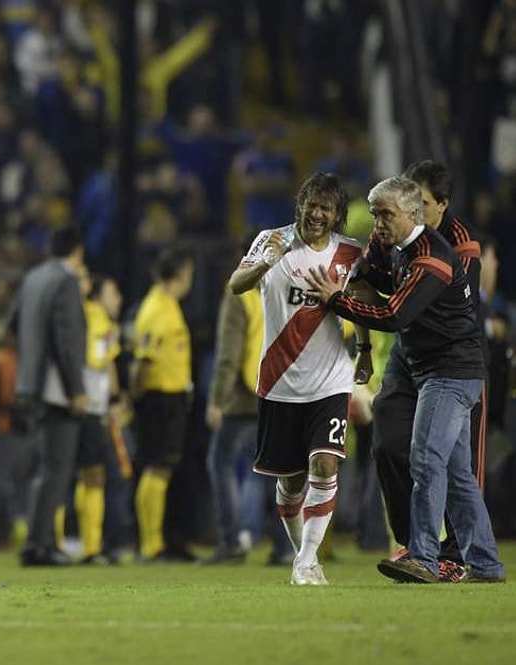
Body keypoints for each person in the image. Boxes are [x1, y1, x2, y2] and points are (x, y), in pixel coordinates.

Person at [306, 176, 506, 584]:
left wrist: (335, 300)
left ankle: (425, 557)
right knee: (455, 473)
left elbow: (394, 316)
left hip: (451, 369)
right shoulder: (390, 246)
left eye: (386, 214)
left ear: (414, 215)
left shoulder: (433, 256)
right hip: (422, 364)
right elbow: (364, 279)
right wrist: (362, 347)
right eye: (375, 212)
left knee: (426, 458)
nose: (377, 223)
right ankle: (485, 563)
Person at [228, 172, 369, 585]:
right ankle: (301, 555)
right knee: (290, 484)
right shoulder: (272, 239)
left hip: (330, 380)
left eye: (327, 207)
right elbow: (236, 284)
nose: (318, 213)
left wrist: (362, 351)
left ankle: (307, 560)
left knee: (324, 465)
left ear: (337, 214)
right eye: (312, 204)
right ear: (301, 204)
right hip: (280, 382)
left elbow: (357, 300)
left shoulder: (350, 253)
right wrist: (264, 265)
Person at [368, 161, 487, 581]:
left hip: (450, 359)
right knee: (398, 447)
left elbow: (408, 310)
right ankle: (473, 559)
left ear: (441, 205)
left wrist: (338, 301)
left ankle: (438, 554)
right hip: (414, 352)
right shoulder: (393, 235)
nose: (411, 209)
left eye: (420, 203)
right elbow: (374, 273)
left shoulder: (455, 248)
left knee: (442, 462)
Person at [203, 245, 288, 565]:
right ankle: (284, 546)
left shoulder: (238, 293)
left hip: (241, 399)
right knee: (275, 472)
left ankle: (231, 543)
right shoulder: (280, 290)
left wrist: (216, 400)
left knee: (220, 463)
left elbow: (228, 354)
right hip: (277, 393)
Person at [11, 227, 88, 567]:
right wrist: (76, 389)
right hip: (55, 389)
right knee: (55, 469)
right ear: (77, 251)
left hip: (30, 383)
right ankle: (39, 545)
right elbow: (66, 341)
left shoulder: (32, 279)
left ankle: (40, 541)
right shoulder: (66, 281)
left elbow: (13, 325)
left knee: (45, 467)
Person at [130, 245, 195, 562]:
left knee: (164, 469)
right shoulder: (156, 308)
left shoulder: (166, 304)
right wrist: (138, 399)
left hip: (171, 398)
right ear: (181, 273)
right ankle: (151, 544)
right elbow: (143, 361)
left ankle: (161, 541)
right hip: (160, 399)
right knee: (157, 467)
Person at [74, 274, 123, 564]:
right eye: (113, 291)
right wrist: (114, 401)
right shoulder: (97, 319)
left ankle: (86, 544)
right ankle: (91, 548)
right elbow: (98, 361)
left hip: (88, 406)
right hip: (90, 407)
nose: (118, 298)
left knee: (83, 475)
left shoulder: (90, 317)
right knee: (94, 475)